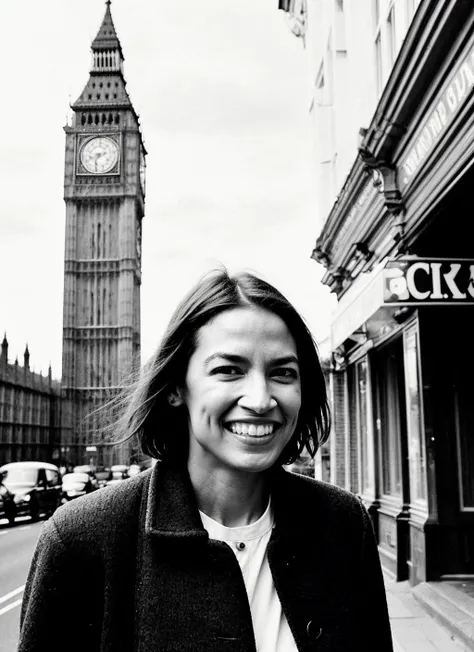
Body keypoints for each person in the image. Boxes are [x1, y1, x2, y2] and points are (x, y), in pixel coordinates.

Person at [18, 269, 393, 652]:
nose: (261, 400)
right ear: (176, 388)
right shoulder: (83, 540)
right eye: (228, 370)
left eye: (283, 372)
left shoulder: (343, 524)